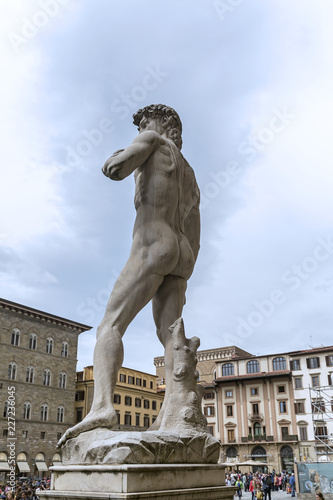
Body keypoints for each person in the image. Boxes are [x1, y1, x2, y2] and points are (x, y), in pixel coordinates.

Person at [58, 104, 200, 445]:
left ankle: (102, 407)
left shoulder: (151, 140)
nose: (139, 127)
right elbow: (195, 229)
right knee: (171, 335)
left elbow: (115, 169)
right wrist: (185, 264)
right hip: (184, 255)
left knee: (111, 324)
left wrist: (117, 154)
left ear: (163, 125)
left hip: (153, 243)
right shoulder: (191, 174)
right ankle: (173, 413)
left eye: (144, 122)